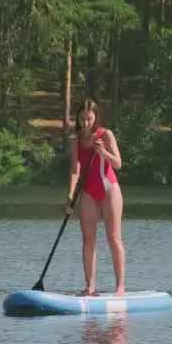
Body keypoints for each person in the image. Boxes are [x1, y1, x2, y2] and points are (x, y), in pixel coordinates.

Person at [68, 98, 125, 297]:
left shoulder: (106, 135)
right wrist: (70, 194)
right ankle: (90, 288)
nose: (85, 124)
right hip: (89, 193)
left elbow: (118, 164)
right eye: (82, 119)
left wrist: (103, 152)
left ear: (96, 117)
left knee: (114, 238)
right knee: (88, 239)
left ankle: (120, 287)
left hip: (110, 190)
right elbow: (75, 171)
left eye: (89, 119)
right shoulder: (77, 141)